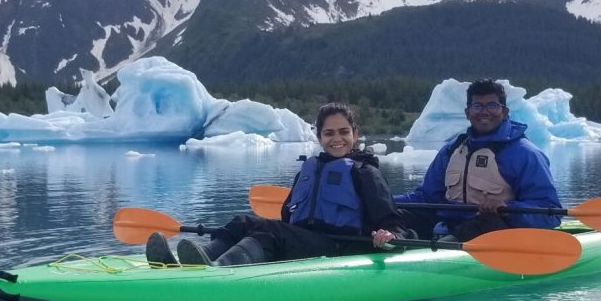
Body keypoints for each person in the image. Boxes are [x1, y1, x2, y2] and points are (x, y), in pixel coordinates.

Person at [146, 102, 411, 267]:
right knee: (243, 222)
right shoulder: (310, 169)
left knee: (269, 232)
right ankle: (195, 260)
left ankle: (218, 270)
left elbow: (393, 222)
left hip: (341, 247)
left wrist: (391, 236)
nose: (337, 139)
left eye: (344, 132)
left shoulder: (365, 172)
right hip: (308, 242)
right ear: (319, 137)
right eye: (329, 133)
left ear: (355, 135)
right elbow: (288, 215)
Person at [395, 78, 562, 241]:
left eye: (492, 105)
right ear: (468, 113)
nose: (484, 112)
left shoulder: (526, 154)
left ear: (504, 112)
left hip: (494, 231)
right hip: (448, 225)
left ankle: (437, 247)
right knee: (389, 214)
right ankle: (387, 241)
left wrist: (507, 208)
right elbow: (427, 197)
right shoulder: (452, 150)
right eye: (477, 106)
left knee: (482, 223)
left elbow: (550, 213)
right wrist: (386, 202)